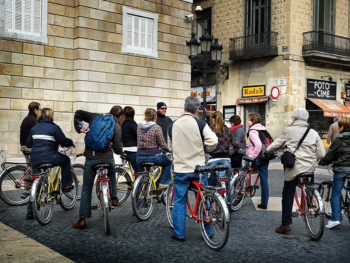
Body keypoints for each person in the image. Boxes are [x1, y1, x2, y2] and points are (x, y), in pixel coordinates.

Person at [266, 108, 325, 234]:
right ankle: (309, 204)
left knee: (288, 194)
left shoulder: (289, 131)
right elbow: (321, 153)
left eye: (293, 117)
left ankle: (285, 224)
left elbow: (275, 145)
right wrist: (315, 159)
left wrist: (267, 151)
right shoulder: (313, 132)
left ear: (296, 118)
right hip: (309, 167)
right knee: (309, 186)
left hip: (293, 168)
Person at [168, 96, 218, 241]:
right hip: (198, 168)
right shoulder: (200, 124)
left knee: (179, 200)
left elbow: (170, 147)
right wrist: (204, 150)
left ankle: (179, 233)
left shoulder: (172, 125)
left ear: (184, 107)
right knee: (203, 196)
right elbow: (213, 141)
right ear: (196, 110)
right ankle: (208, 230)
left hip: (181, 168)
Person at [72, 106, 123, 229]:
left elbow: (78, 113)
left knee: (86, 188)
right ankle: (114, 197)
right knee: (112, 173)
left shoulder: (94, 116)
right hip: (107, 158)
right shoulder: (116, 126)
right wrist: (119, 150)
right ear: (119, 116)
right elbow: (117, 149)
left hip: (91, 158)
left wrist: (79, 128)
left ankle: (82, 219)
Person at [26, 108, 74, 219]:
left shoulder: (34, 128)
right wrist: (70, 142)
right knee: (66, 160)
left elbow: (28, 144)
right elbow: (63, 141)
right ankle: (66, 185)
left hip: (35, 159)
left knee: (36, 182)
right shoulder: (54, 128)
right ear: (51, 116)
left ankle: (30, 210)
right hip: (50, 156)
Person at [319, 117, 350, 229]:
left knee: (336, 194)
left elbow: (329, 156)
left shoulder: (338, 141)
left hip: (341, 170)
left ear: (341, 127)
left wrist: (322, 162)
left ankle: (335, 219)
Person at [208, 111, 239, 212]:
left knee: (210, 186)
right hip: (226, 160)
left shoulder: (210, 130)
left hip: (213, 160)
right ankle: (228, 209)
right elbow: (235, 144)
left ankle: (209, 206)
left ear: (213, 119)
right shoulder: (228, 130)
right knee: (227, 186)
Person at [136, 108, 171, 189]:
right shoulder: (156, 127)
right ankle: (163, 183)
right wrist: (169, 150)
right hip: (153, 157)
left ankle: (138, 198)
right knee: (168, 162)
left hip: (139, 157)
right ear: (155, 116)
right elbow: (162, 144)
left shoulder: (139, 126)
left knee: (140, 177)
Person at [242, 112, 270, 209]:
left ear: (253, 121)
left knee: (241, 173)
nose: (247, 121)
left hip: (256, 158)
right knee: (264, 180)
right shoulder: (263, 129)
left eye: (249, 119)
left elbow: (258, 145)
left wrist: (252, 157)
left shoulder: (253, 131)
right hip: (265, 157)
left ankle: (238, 195)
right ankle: (264, 203)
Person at [120, 106, 138, 173]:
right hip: (133, 151)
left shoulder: (121, 123)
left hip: (124, 150)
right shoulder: (132, 124)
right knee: (139, 172)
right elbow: (138, 136)